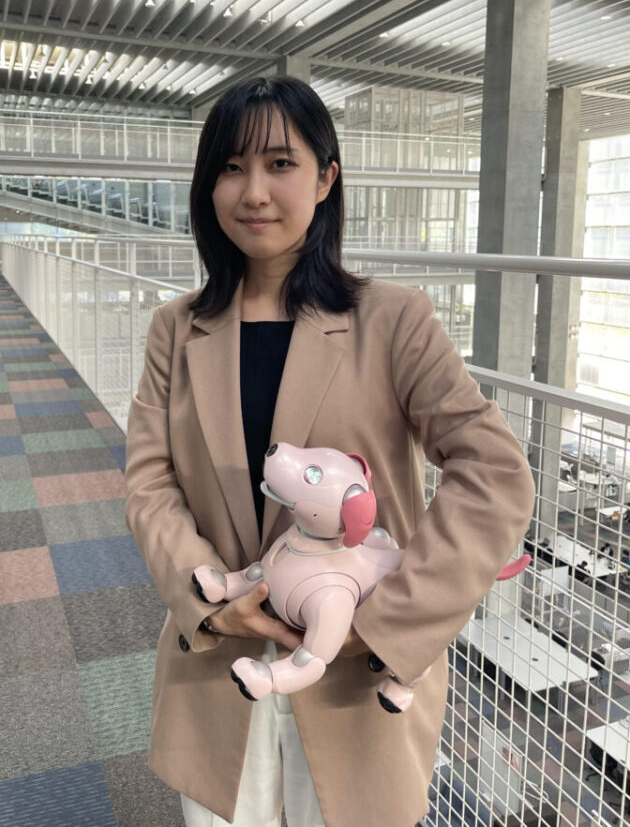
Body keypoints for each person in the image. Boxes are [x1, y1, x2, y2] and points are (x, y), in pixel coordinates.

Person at [125, 76, 535, 827]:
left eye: (280, 164)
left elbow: (495, 474)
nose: (254, 192)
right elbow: (150, 481)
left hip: (355, 679)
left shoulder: (393, 320)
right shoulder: (176, 329)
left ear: (326, 178)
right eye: (231, 167)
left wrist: (383, 623)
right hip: (218, 665)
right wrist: (211, 602)